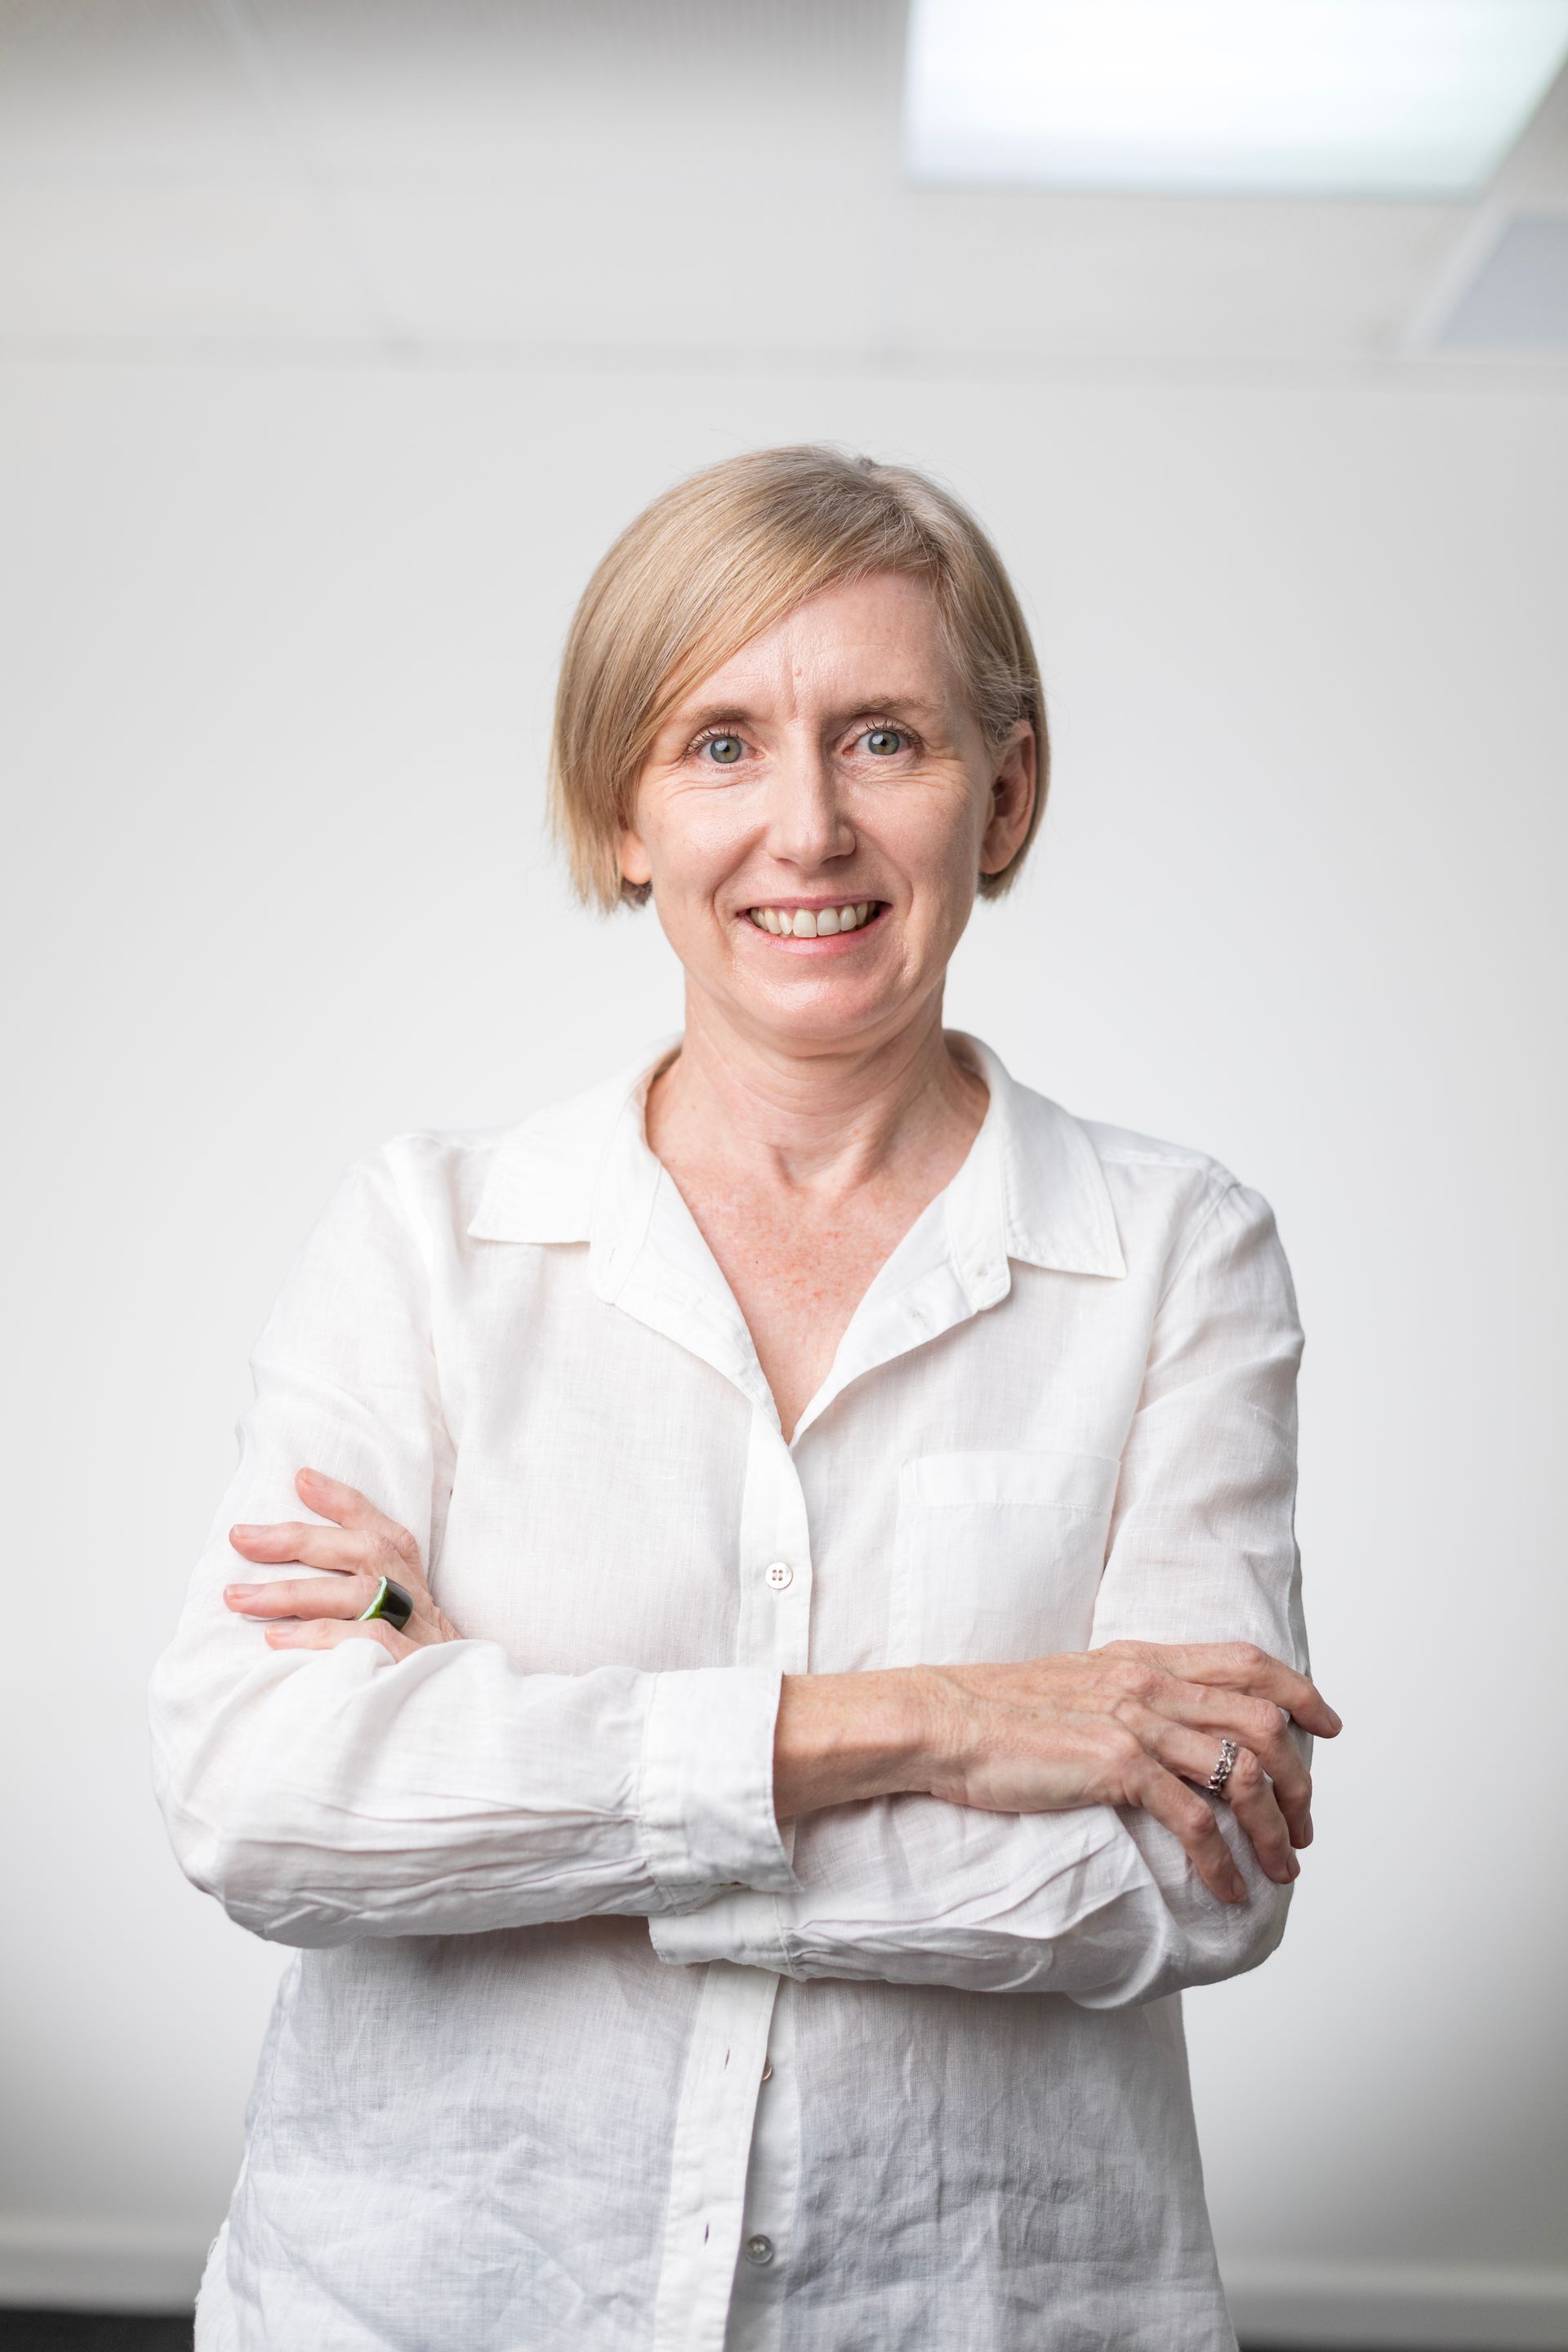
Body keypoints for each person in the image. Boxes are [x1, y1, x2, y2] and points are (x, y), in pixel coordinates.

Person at [150, 444, 1338, 2352]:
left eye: (885, 740)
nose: (807, 830)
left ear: (1003, 794)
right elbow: (267, 1802)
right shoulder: (424, 1241)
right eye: (718, 744)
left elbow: (1193, 1877)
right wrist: (946, 1722)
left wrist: (524, 1778)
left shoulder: (1178, 1255)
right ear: (620, 811)